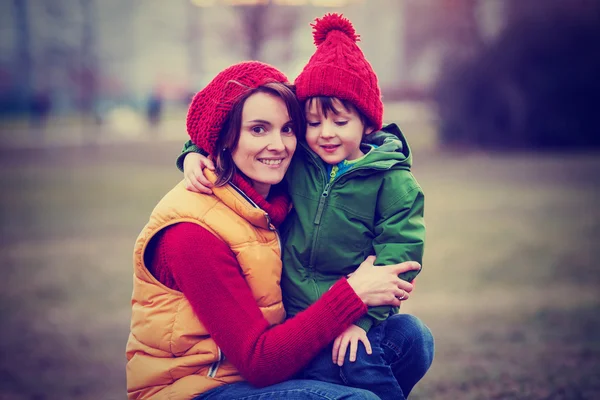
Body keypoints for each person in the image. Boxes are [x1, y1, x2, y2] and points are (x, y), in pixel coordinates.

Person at [126, 60, 423, 400]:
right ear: (224, 138)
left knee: (408, 337)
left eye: (288, 129)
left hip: (262, 370)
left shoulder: (277, 195)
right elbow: (259, 361)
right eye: (258, 129)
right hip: (196, 388)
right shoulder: (191, 233)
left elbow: (331, 110)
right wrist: (352, 294)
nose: (279, 145)